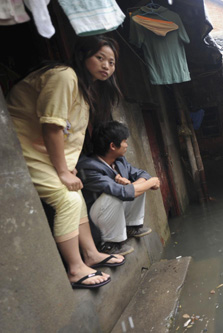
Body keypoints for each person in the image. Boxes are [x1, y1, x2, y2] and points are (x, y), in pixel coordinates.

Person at [7, 36, 125, 289]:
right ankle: (75, 268)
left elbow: (67, 134)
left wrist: (67, 166)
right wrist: (62, 170)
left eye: (112, 62)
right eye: (100, 58)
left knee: (76, 193)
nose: (106, 66)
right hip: (19, 148)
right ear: (83, 57)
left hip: (41, 152)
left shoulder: (83, 88)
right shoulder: (64, 76)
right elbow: (52, 126)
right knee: (67, 199)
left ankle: (91, 254)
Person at [77, 121, 160, 256]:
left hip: (112, 212)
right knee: (118, 194)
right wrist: (150, 183)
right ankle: (109, 244)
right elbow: (120, 192)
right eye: (124, 141)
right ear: (113, 146)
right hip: (94, 220)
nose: (127, 145)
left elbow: (141, 174)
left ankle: (131, 227)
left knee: (138, 187)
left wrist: (133, 185)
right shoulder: (88, 167)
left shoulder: (119, 161)